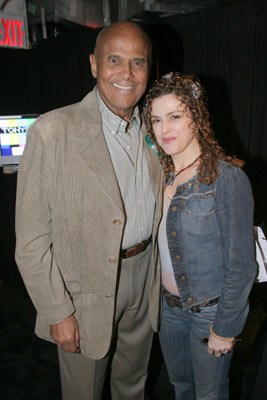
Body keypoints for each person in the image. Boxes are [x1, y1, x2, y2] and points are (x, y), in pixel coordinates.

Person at [15, 21, 163, 400]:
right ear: (94, 64)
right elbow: (31, 241)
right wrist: (57, 313)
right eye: (115, 60)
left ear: (150, 70)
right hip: (84, 293)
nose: (126, 74)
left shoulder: (159, 128)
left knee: (134, 385)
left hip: (145, 277)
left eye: (138, 62)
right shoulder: (53, 131)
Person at [145, 72, 257, 400]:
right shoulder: (160, 175)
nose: (164, 129)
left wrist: (226, 327)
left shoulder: (227, 179)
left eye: (175, 117)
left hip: (209, 312)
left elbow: (241, 266)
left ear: (197, 116)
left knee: (209, 395)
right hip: (169, 311)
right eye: (156, 120)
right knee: (181, 388)